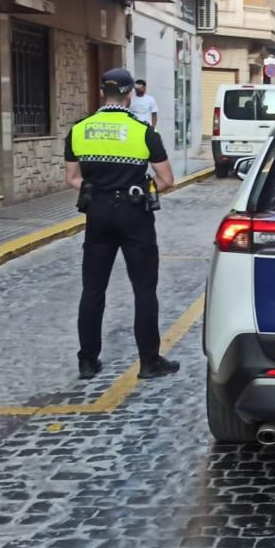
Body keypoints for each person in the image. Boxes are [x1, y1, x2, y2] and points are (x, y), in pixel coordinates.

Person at [65, 68, 180, 381]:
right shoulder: (143, 132)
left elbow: (72, 178)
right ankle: (149, 362)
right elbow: (167, 179)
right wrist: (142, 190)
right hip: (134, 213)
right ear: (130, 94)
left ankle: (88, 361)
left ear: (103, 93)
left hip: (97, 214)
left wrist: (96, 191)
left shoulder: (80, 129)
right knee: (144, 289)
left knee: (93, 289)